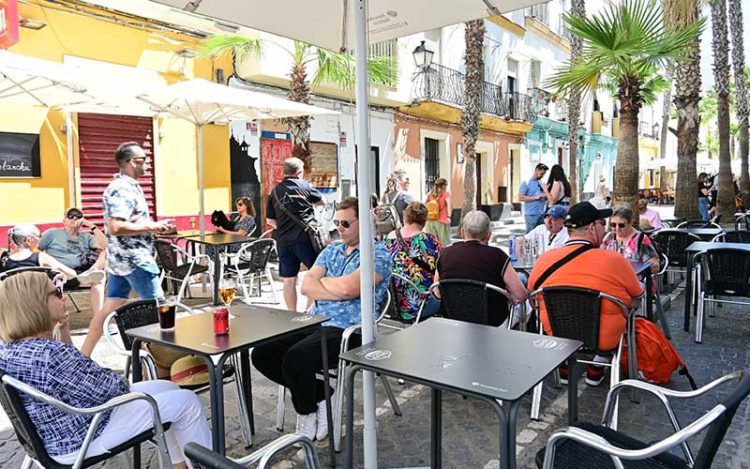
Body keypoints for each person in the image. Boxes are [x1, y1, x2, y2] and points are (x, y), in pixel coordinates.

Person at [0, 271, 210, 468]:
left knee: (167, 386)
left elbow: (73, 373)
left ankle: (179, 465)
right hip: (82, 435)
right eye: (56, 292)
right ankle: (207, 464)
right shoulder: (50, 355)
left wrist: (63, 329)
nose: (63, 297)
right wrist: (113, 376)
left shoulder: (11, 350)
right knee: (186, 402)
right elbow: (111, 389)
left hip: (57, 432)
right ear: (35, 305)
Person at [252, 197, 392, 441]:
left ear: (365, 222)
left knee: (296, 359)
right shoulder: (332, 249)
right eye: (337, 222)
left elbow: (349, 289)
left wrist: (325, 283)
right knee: (263, 353)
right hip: (315, 321)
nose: (340, 228)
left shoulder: (378, 254)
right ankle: (322, 395)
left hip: (351, 330)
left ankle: (306, 412)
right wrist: (333, 287)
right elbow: (306, 285)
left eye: (346, 223)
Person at [528, 202, 643, 386]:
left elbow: (532, 294)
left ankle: (564, 363)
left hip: (558, 334)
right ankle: (600, 360)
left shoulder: (545, 259)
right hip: (602, 338)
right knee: (630, 305)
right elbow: (637, 293)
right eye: (601, 224)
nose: (605, 229)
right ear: (591, 228)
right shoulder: (614, 260)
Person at [80, 142, 175, 357]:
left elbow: (128, 222)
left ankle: (83, 356)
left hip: (122, 261)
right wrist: (151, 226)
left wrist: (155, 228)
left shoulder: (128, 185)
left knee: (109, 308)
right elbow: (116, 227)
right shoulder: (122, 189)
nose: (147, 165)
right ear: (131, 162)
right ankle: (159, 364)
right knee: (158, 311)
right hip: (135, 261)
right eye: (143, 160)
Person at [435, 210, 528, 327]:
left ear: (462, 233)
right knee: (527, 304)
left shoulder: (444, 254)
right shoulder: (498, 256)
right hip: (493, 324)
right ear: (489, 235)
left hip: (454, 322)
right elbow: (521, 295)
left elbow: (437, 293)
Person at [266, 157, 324, 312]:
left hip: (283, 241)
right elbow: (322, 201)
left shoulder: (274, 192)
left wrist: (285, 225)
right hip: (305, 238)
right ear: (299, 172)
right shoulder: (306, 186)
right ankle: (309, 312)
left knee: (289, 280)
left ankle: (291, 315)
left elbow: (270, 221)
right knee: (314, 275)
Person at [38, 208, 107, 321]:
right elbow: (37, 250)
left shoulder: (86, 237)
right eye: (71, 215)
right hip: (57, 275)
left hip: (81, 274)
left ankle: (98, 321)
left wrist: (91, 225)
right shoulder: (53, 233)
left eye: (78, 215)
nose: (75, 218)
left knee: (101, 272)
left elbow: (105, 246)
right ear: (64, 220)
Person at [385, 201, 442, 321]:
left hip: (391, 304)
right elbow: (443, 265)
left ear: (405, 217)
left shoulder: (389, 238)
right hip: (420, 305)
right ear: (424, 220)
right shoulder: (428, 240)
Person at [602, 205, 660, 274]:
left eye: (621, 225)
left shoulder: (641, 239)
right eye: (613, 225)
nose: (617, 229)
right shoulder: (609, 237)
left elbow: (655, 266)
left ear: (631, 222)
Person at [519, 163, 549, 233]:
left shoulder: (541, 183)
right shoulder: (526, 182)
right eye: (541, 173)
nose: (542, 176)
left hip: (541, 214)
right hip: (531, 215)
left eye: (544, 174)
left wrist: (545, 196)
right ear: (536, 170)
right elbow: (521, 197)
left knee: (542, 235)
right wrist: (536, 198)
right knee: (530, 235)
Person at [424, 177, 452, 247]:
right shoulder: (445, 194)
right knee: (444, 241)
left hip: (430, 219)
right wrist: (449, 216)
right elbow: (449, 205)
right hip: (442, 220)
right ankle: (444, 256)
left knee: (432, 240)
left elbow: (425, 204)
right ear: (444, 185)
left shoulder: (430, 194)